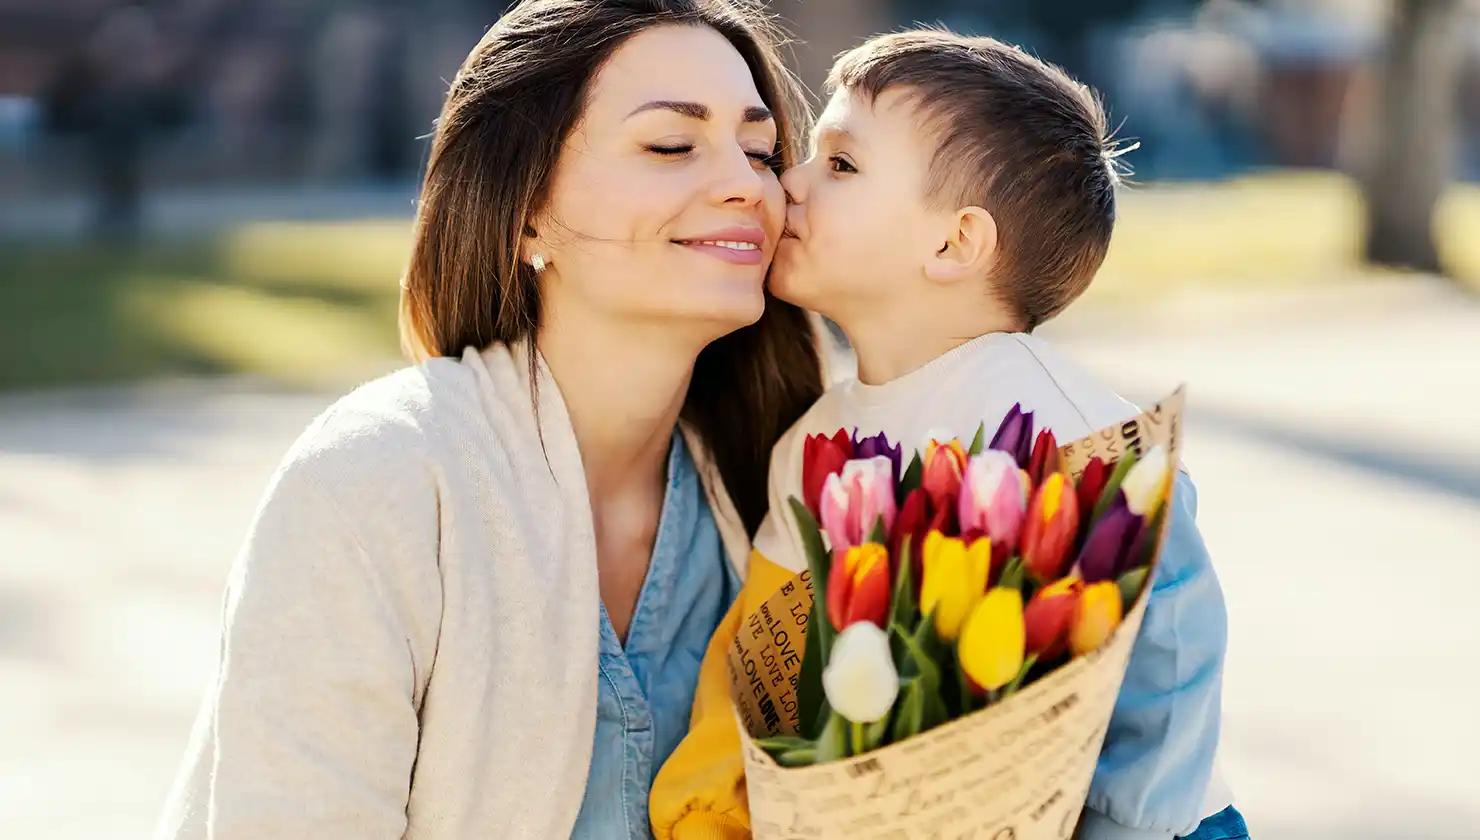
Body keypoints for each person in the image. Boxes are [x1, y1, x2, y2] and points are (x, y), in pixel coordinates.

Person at [154, 2, 826, 838]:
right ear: (526, 208)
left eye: (760, 151)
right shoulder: (376, 482)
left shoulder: (786, 498)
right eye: (670, 145)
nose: (745, 184)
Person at [651, 31, 1250, 840]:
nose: (787, 182)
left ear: (954, 243)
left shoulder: (1046, 422)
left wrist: (1122, 826)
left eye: (841, 165)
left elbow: (1170, 641)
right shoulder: (814, 443)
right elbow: (765, 655)